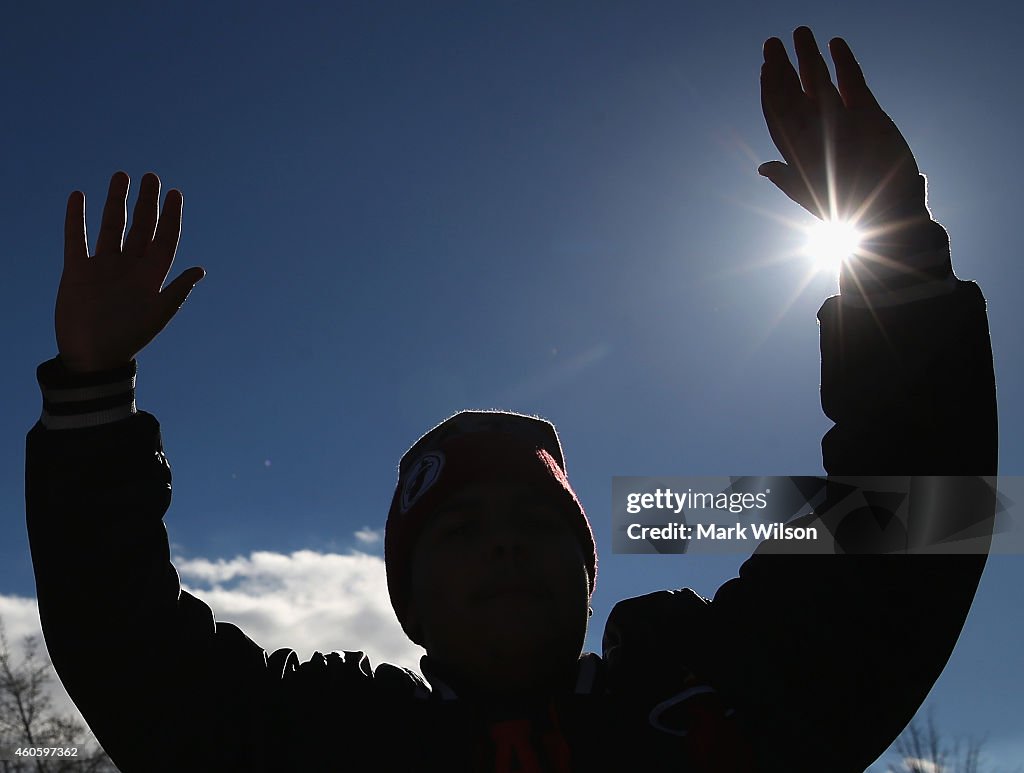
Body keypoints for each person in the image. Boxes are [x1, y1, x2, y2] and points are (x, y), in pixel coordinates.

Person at [25, 27, 996, 772]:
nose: (501, 544)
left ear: (588, 572)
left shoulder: (721, 697)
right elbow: (131, 655)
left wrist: (897, 252)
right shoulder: (331, 742)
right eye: (457, 531)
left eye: (537, 521)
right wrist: (92, 393)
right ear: (404, 603)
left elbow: (913, 533)